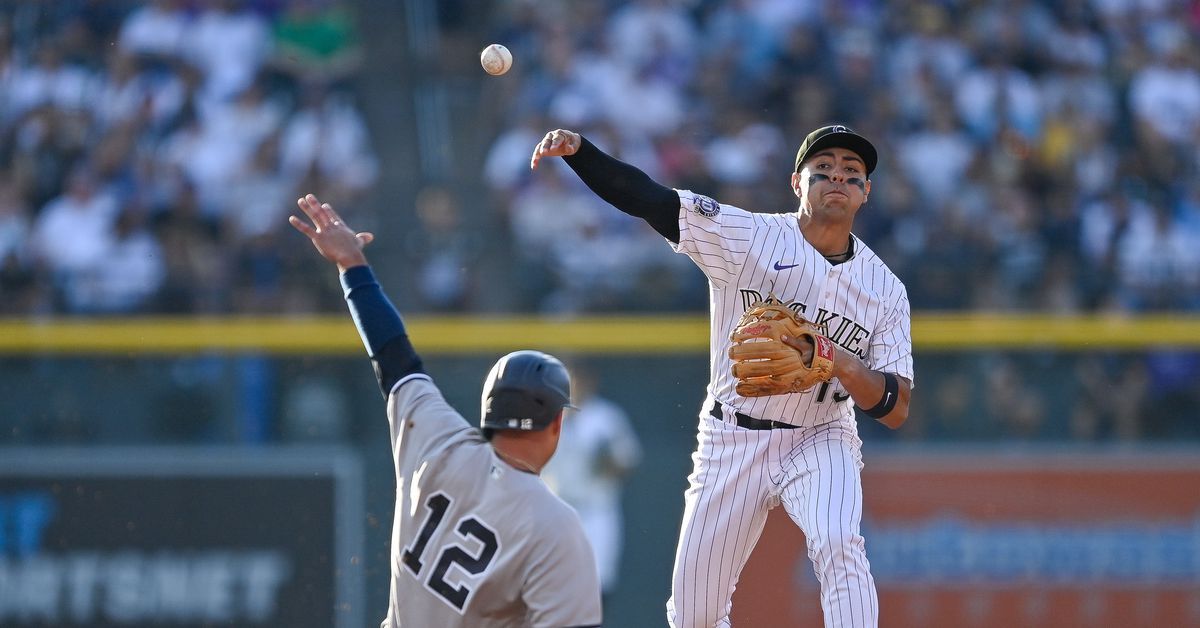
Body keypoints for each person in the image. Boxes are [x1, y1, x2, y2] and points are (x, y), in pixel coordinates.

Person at [531, 125, 913, 627]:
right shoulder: (750, 237)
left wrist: (835, 358)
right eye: (824, 169)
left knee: (839, 542)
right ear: (796, 182)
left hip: (821, 433)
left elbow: (895, 407)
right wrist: (582, 154)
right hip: (732, 434)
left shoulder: (884, 290)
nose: (838, 178)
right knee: (694, 614)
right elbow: (650, 200)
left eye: (852, 172)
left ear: (867, 193)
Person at [288, 193, 602, 628]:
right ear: (556, 423)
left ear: (487, 409)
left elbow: (393, 355)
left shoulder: (438, 442)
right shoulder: (555, 525)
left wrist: (352, 266)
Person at [540, 361, 642, 602]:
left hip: (596, 511)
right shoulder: (546, 417)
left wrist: (609, 463)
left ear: (591, 381)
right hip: (557, 512)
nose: (575, 385)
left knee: (597, 590)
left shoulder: (606, 418)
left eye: (579, 378)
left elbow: (628, 462)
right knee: (550, 590)